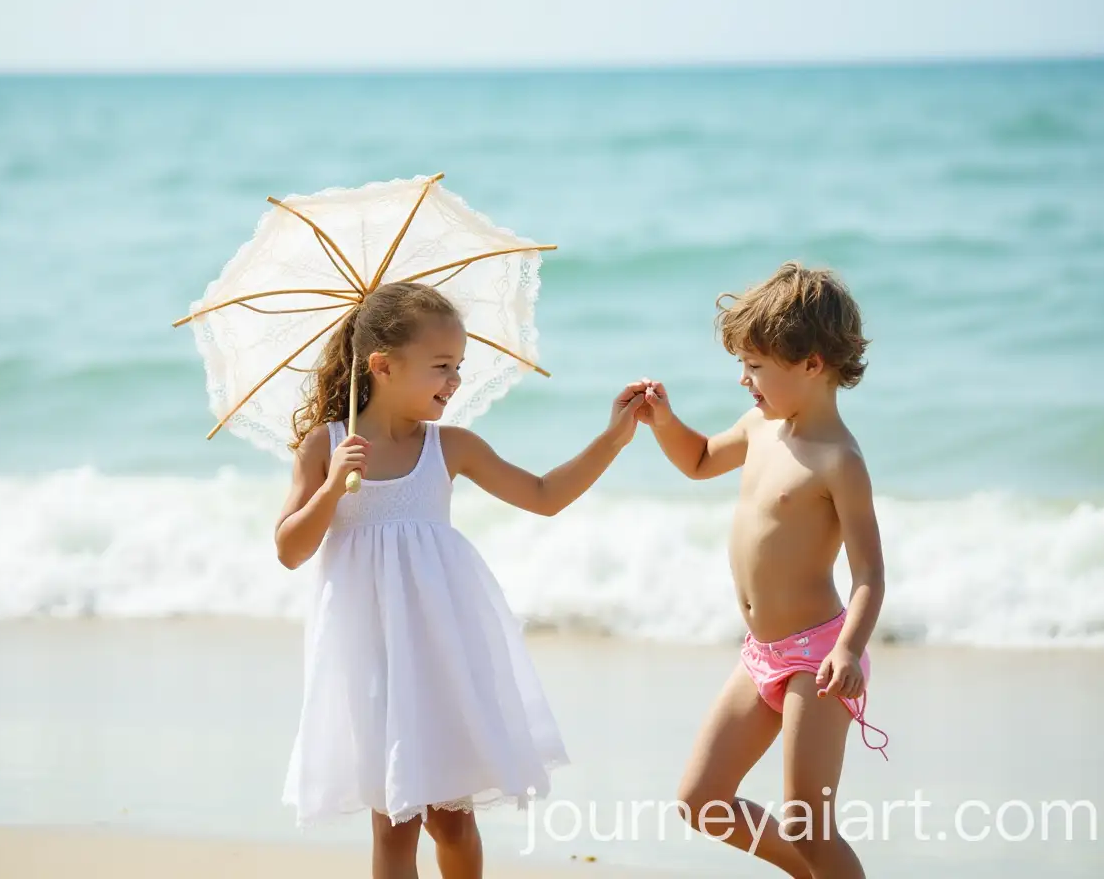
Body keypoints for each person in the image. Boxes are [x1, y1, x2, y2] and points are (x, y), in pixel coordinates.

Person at [274, 281, 647, 879]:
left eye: (459, 367)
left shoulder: (450, 447)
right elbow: (290, 549)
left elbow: (545, 496)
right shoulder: (326, 446)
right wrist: (329, 486)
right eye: (442, 367)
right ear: (384, 366)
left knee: (453, 819)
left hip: (443, 652)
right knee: (393, 820)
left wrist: (613, 439)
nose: (455, 381)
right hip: (372, 658)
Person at [636, 261, 889, 879]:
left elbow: (868, 575)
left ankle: (814, 863)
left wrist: (850, 651)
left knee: (809, 822)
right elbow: (697, 460)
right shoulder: (759, 425)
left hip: (818, 659)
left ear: (811, 364)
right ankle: (805, 873)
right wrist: (664, 421)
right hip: (762, 652)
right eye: (743, 365)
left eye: (756, 365)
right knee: (700, 802)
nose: (744, 379)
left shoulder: (839, 461)